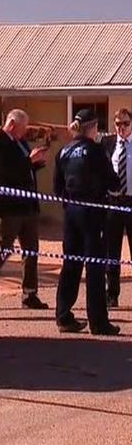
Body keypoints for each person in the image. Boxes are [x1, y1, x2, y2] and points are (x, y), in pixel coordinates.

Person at [54, 109, 120, 335]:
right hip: (92, 213)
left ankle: (63, 316)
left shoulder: (63, 152)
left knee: (70, 264)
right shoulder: (95, 150)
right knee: (94, 266)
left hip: (70, 214)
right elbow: (113, 182)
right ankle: (99, 322)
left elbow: (56, 189)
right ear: (93, 127)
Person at [0, 109, 49, 309]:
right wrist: (28, 161)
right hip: (11, 206)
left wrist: (36, 163)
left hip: (28, 205)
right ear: (12, 124)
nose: (24, 133)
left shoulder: (21, 143)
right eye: (22, 128)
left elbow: (24, 168)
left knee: (31, 250)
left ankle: (29, 293)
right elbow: (3, 173)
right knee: (4, 249)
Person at [102, 108, 132, 308]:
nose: (121, 128)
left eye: (126, 124)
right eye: (118, 124)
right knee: (111, 252)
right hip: (113, 203)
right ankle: (111, 295)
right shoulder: (108, 143)